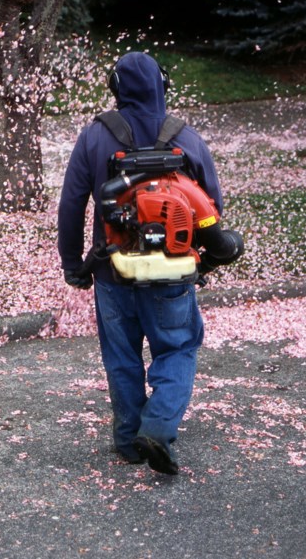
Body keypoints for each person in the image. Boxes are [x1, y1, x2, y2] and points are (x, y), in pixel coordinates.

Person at [57, 51, 226, 475]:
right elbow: (213, 209)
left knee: (121, 354)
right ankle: (159, 426)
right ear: (163, 87)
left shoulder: (95, 137)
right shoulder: (185, 138)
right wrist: (202, 260)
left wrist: (73, 262)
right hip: (171, 271)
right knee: (178, 346)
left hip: (113, 269)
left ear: (115, 89)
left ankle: (130, 440)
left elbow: (72, 204)